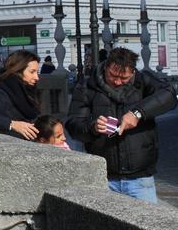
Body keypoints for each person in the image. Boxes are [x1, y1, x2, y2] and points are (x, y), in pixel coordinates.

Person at [66, 47, 177, 203]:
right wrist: (93, 128)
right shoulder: (86, 86)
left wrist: (138, 113)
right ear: (106, 66)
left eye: (123, 78)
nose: (117, 82)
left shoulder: (142, 81)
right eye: (112, 75)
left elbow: (169, 95)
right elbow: (73, 124)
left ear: (132, 72)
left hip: (140, 178)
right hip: (103, 177)